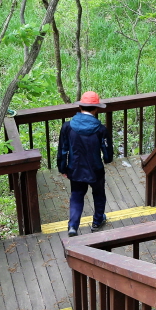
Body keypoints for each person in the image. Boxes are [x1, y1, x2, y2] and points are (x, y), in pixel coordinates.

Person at [57, 91, 113, 237]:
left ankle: (73, 226)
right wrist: (107, 159)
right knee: (99, 194)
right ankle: (97, 221)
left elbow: (63, 150)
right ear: (95, 109)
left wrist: (63, 168)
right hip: (96, 169)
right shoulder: (101, 129)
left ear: (80, 106)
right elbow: (107, 153)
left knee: (76, 196)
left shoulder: (67, 127)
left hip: (75, 169)